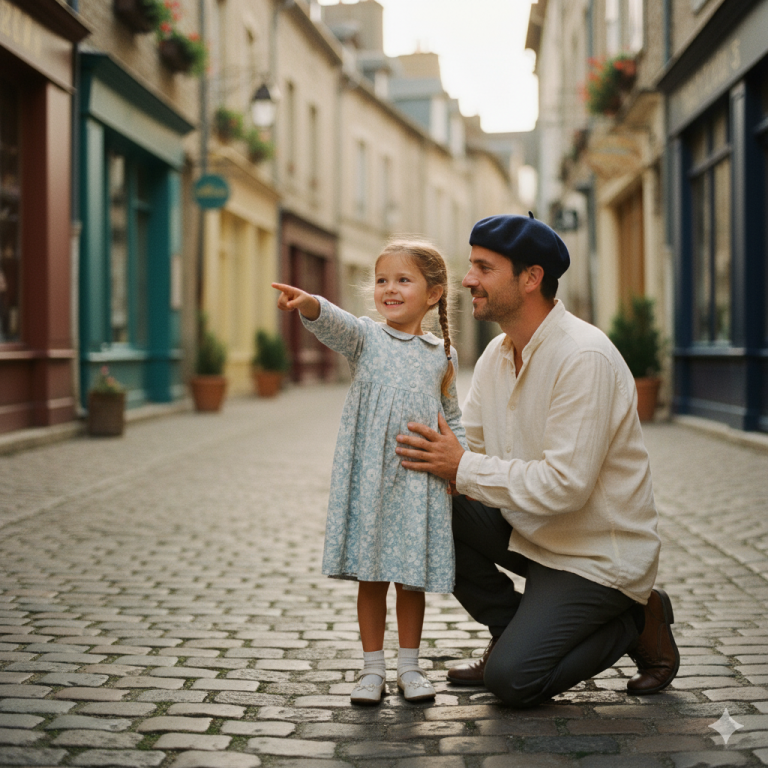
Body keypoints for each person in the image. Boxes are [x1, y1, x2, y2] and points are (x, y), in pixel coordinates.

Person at [394, 213, 680, 708]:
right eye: (470, 266)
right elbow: (471, 452)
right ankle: (510, 630)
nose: (467, 280)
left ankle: (635, 617)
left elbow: (565, 485)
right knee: (424, 502)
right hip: (533, 535)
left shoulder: (582, 356)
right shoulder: (495, 356)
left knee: (512, 682)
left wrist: (461, 467)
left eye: (484, 268)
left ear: (531, 278)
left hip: (595, 557)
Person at [272, 238, 468, 705]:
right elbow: (335, 324)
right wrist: (313, 303)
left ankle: (410, 667)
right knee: (373, 576)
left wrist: (463, 466)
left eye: (403, 280)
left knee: (410, 578)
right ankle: (372, 669)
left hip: (418, 477)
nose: (389, 289)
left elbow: (451, 415)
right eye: (382, 281)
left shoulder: (442, 355)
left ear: (434, 293)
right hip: (371, 479)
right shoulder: (366, 337)